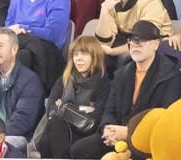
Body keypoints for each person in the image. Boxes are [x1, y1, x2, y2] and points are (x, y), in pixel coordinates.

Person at [72, 20, 181, 158]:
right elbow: (109, 110)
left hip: (146, 140)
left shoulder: (171, 75)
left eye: (141, 41)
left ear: (155, 44)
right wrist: (107, 128)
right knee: (80, 149)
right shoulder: (122, 74)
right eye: (132, 40)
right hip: (117, 136)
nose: (135, 45)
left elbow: (165, 120)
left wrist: (128, 132)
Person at [5, 0, 72, 90]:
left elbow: (53, 34)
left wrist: (22, 28)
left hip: (47, 52)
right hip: (18, 46)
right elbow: (8, 31)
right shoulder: (16, 1)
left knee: (22, 56)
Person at [36, 36, 110, 158]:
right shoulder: (64, 79)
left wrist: (65, 107)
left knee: (55, 129)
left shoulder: (103, 84)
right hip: (58, 130)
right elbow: (52, 110)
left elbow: (96, 117)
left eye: (84, 54)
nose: (79, 59)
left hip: (84, 134)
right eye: (75, 55)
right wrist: (81, 109)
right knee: (55, 125)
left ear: (95, 56)